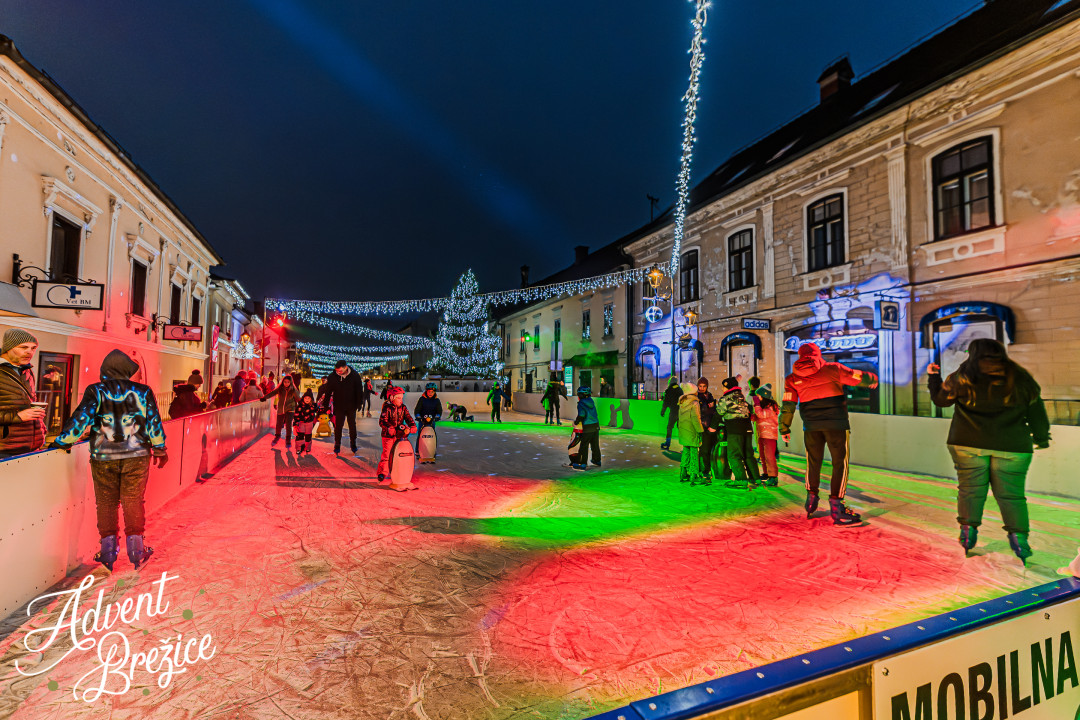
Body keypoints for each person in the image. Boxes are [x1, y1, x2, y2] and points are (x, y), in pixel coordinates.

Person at [928, 339, 1050, 561]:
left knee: (971, 489)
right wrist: (1042, 438)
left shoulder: (962, 376)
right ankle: (1019, 539)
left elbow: (941, 401)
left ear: (972, 353)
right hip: (1013, 446)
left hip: (967, 443)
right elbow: (1036, 411)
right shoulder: (1020, 377)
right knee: (1012, 495)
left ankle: (968, 533)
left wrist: (933, 377)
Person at [48, 350, 167, 571]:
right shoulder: (143, 391)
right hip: (137, 454)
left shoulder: (96, 391)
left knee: (106, 503)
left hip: (103, 456)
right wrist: (159, 447)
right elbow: (153, 421)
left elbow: (81, 417)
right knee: (133, 500)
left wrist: (63, 441)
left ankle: (108, 551)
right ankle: (136, 549)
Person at [779, 342, 878, 526]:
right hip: (836, 425)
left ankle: (811, 498)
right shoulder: (833, 369)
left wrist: (784, 428)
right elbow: (856, 377)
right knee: (839, 463)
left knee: (813, 462)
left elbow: (788, 405)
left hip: (811, 427)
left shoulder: (791, 379)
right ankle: (837, 506)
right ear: (817, 354)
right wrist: (871, 378)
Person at [0, 329, 47, 458]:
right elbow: (21, 414)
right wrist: (18, 416)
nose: (29, 352)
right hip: (5, 449)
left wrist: (41, 428)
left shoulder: (27, 370)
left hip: (32, 446)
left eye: (33, 348)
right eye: (23, 347)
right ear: (8, 348)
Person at [717, 377, 760, 488]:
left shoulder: (726, 398)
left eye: (723, 386)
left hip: (735, 430)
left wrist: (712, 427)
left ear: (727, 387)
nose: (722, 388)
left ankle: (741, 479)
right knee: (748, 454)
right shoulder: (742, 397)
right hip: (747, 429)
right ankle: (755, 478)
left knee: (734, 455)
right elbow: (749, 410)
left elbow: (719, 413)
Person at [320, 361, 364, 455]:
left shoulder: (354, 375)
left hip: (351, 405)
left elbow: (359, 390)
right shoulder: (332, 377)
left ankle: (353, 443)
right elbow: (328, 391)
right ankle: (337, 444)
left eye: (340, 371)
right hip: (339, 405)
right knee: (338, 426)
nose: (338, 372)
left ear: (345, 367)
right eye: (337, 370)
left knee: (352, 425)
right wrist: (325, 405)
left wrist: (359, 403)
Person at [377, 386, 416, 488]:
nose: (401, 400)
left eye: (402, 398)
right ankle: (383, 472)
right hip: (388, 436)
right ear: (392, 398)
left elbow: (408, 417)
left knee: (398, 455)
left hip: (398, 435)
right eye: (398, 398)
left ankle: (397, 472)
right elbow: (382, 421)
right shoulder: (387, 408)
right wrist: (389, 427)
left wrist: (412, 425)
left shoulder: (403, 408)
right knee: (387, 454)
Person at [262, 375, 300, 448]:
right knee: (279, 424)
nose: (286, 383)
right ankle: (277, 436)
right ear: (283, 382)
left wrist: (303, 404)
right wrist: (264, 398)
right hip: (281, 408)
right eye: (285, 382)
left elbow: (298, 398)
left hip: (290, 409)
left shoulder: (293, 390)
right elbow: (272, 393)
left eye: (288, 382)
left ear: (291, 382)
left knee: (288, 425)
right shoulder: (280, 389)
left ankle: (288, 439)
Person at [753, 386, 781, 486]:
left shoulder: (772, 407)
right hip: (761, 434)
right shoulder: (763, 406)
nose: (757, 398)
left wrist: (756, 405)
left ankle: (773, 477)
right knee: (763, 456)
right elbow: (758, 417)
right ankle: (766, 473)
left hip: (770, 435)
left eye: (758, 396)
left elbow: (761, 415)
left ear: (764, 396)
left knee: (769, 456)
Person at [676, 382, 703, 483]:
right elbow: (696, 418)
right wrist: (700, 430)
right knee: (694, 453)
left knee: (686, 451)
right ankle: (694, 475)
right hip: (692, 431)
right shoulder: (694, 403)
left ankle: (683, 473)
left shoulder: (682, 402)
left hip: (684, 431)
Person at [571, 386, 600, 470]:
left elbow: (581, 415)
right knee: (595, 444)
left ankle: (582, 463)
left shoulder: (581, 403)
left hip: (587, 426)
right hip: (596, 425)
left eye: (579, 394)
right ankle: (596, 460)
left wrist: (576, 422)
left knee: (584, 445)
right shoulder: (591, 401)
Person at [696, 378, 718, 482]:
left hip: (710, 426)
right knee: (703, 449)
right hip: (702, 426)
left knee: (709, 449)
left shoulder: (710, 396)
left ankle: (708, 469)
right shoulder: (696, 397)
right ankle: (703, 470)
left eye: (704, 386)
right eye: (700, 386)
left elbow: (713, 410)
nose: (702, 388)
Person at [659, 377, 683, 450]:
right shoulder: (680, 390)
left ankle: (667, 443)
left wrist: (663, 411)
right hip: (680, 412)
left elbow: (666, 402)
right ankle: (684, 446)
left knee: (669, 427)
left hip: (673, 412)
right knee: (681, 429)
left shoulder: (669, 390)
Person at [294, 389, 319, 456]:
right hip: (301, 423)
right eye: (305, 398)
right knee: (300, 436)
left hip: (309, 423)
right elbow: (296, 414)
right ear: (303, 398)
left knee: (308, 436)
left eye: (308, 398)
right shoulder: (300, 406)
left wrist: (320, 407)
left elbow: (318, 411)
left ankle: (307, 447)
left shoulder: (313, 406)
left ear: (311, 399)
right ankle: (299, 448)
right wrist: (296, 422)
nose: (307, 399)